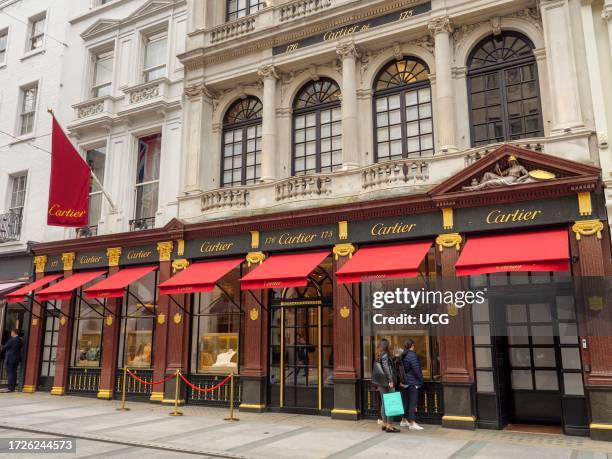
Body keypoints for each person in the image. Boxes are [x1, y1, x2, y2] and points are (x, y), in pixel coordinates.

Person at [372, 338, 400, 433]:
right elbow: (386, 368)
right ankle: (389, 425)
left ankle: (384, 423)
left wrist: (394, 358)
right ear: (387, 346)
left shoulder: (378, 355)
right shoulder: (385, 355)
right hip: (387, 383)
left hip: (381, 383)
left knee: (384, 403)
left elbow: (385, 365)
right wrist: (390, 380)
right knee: (391, 403)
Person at [399, 339, 424, 430]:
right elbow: (416, 370)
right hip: (412, 382)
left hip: (404, 382)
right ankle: (412, 423)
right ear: (412, 345)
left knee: (406, 402)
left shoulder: (402, 355)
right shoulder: (412, 355)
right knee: (412, 403)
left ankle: (403, 420)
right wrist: (421, 380)